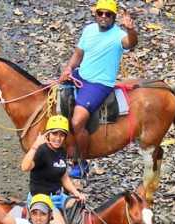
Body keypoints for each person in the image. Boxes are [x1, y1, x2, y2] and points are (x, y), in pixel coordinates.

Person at [59, 0, 137, 178]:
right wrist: (68, 69)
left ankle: (81, 161)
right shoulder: (88, 30)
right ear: (95, 14)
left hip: (99, 84)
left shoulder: (119, 35)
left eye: (108, 14)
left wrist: (131, 30)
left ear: (114, 17)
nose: (103, 17)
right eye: (100, 13)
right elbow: (78, 54)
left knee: (78, 120)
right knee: (52, 94)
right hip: (81, 74)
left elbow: (130, 43)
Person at [20, 114, 85, 224]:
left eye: (62, 135)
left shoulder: (61, 151)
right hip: (43, 199)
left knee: (81, 209)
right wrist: (34, 146)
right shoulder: (42, 151)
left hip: (58, 196)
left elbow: (64, 176)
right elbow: (24, 167)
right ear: (48, 134)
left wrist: (76, 193)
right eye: (54, 134)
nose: (58, 138)